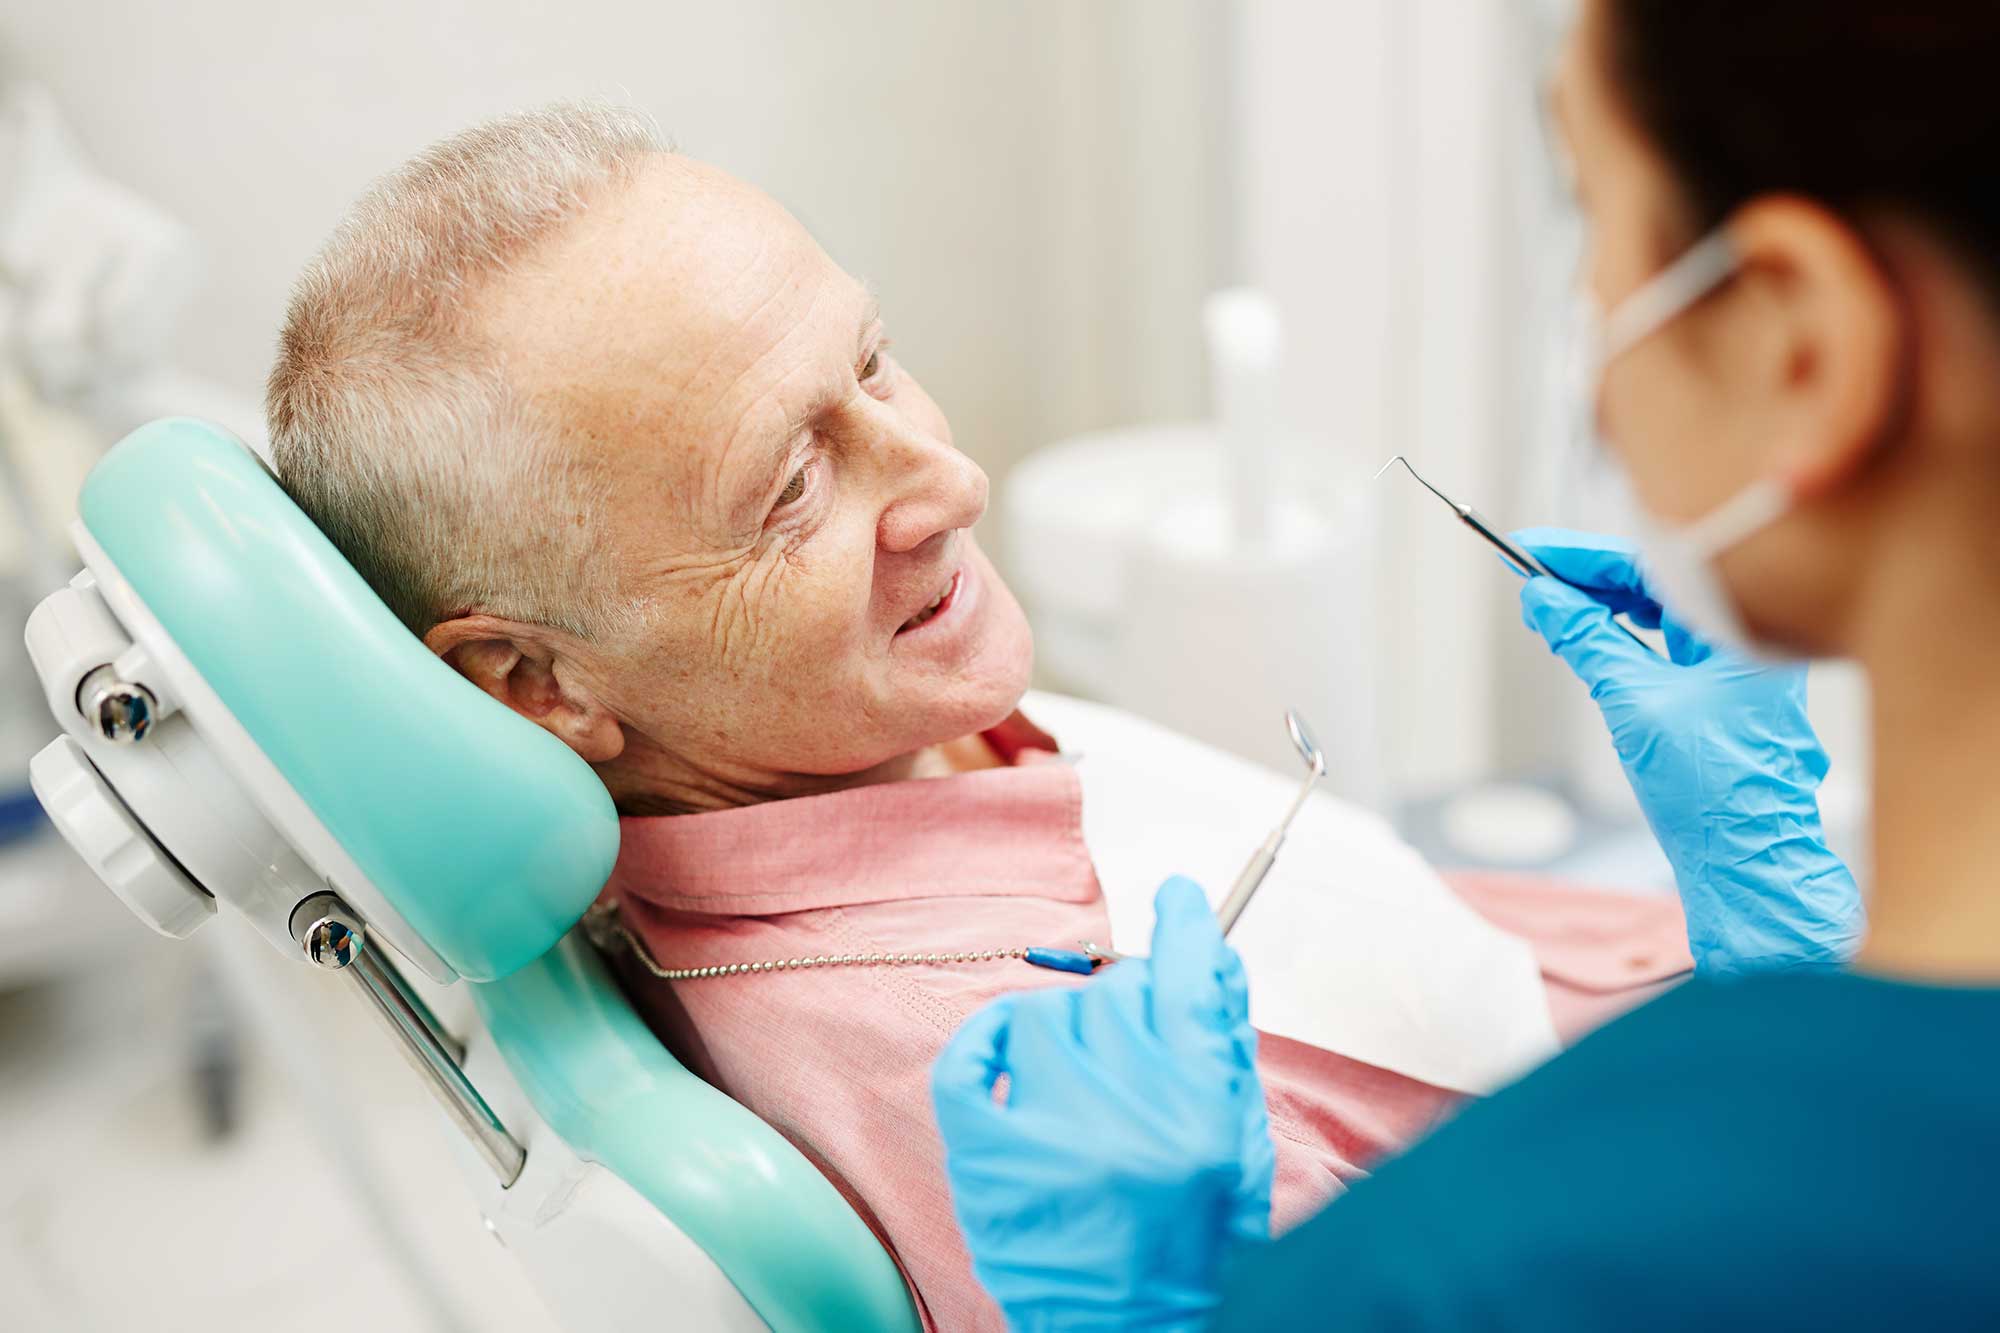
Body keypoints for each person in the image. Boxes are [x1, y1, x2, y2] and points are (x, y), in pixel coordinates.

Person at [265, 106, 1690, 1330]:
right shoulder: (984, 1092)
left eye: (873, 362)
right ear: (539, 683)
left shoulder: (854, 730)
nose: (946, 478)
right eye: (789, 489)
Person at [932, 1, 2000, 1327]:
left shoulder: (1502, 1259)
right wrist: (1793, 946)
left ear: (1803, 347)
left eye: (1587, 206)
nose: (1596, 313)